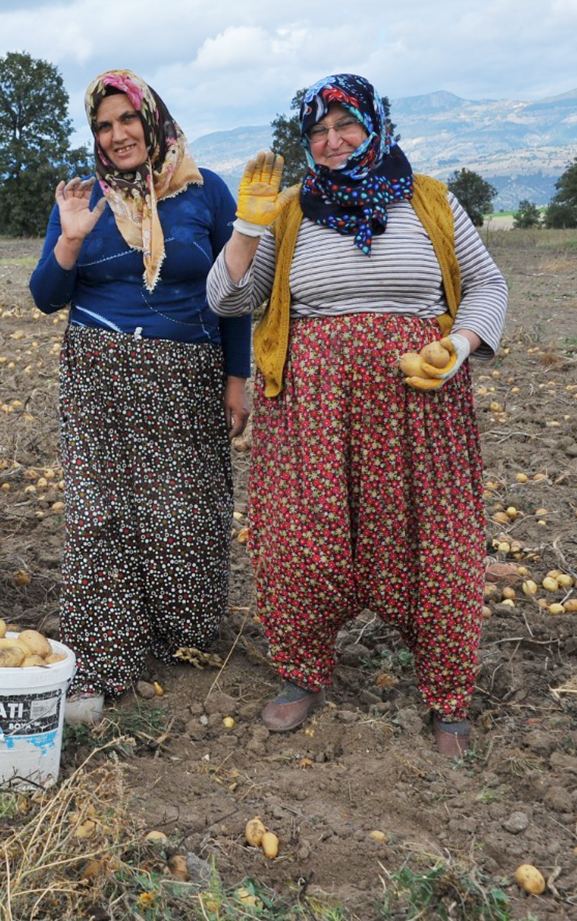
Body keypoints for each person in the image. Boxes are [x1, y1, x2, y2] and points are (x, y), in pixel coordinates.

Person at [206, 74, 508, 756]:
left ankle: (447, 698)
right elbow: (227, 299)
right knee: (297, 541)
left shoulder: (428, 199)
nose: (331, 141)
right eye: (317, 131)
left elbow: (487, 282)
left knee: (436, 544)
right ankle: (301, 674)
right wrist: (247, 230)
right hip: (310, 410)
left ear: (374, 126)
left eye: (344, 126)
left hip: (419, 404)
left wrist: (457, 345)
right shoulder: (286, 211)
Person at [29, 70, 251, 723]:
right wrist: (69, 238)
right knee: (100, 512)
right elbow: (46, 295)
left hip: (185, 373)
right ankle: (101, 652)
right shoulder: (81, 196)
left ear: (151, 121)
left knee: (180, 513)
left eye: (127, 120)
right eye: (103, 125)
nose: (117, 134)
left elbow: (230, 295)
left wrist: (235, 377)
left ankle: (171, 628)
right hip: (96, 369)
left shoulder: (201, 190)